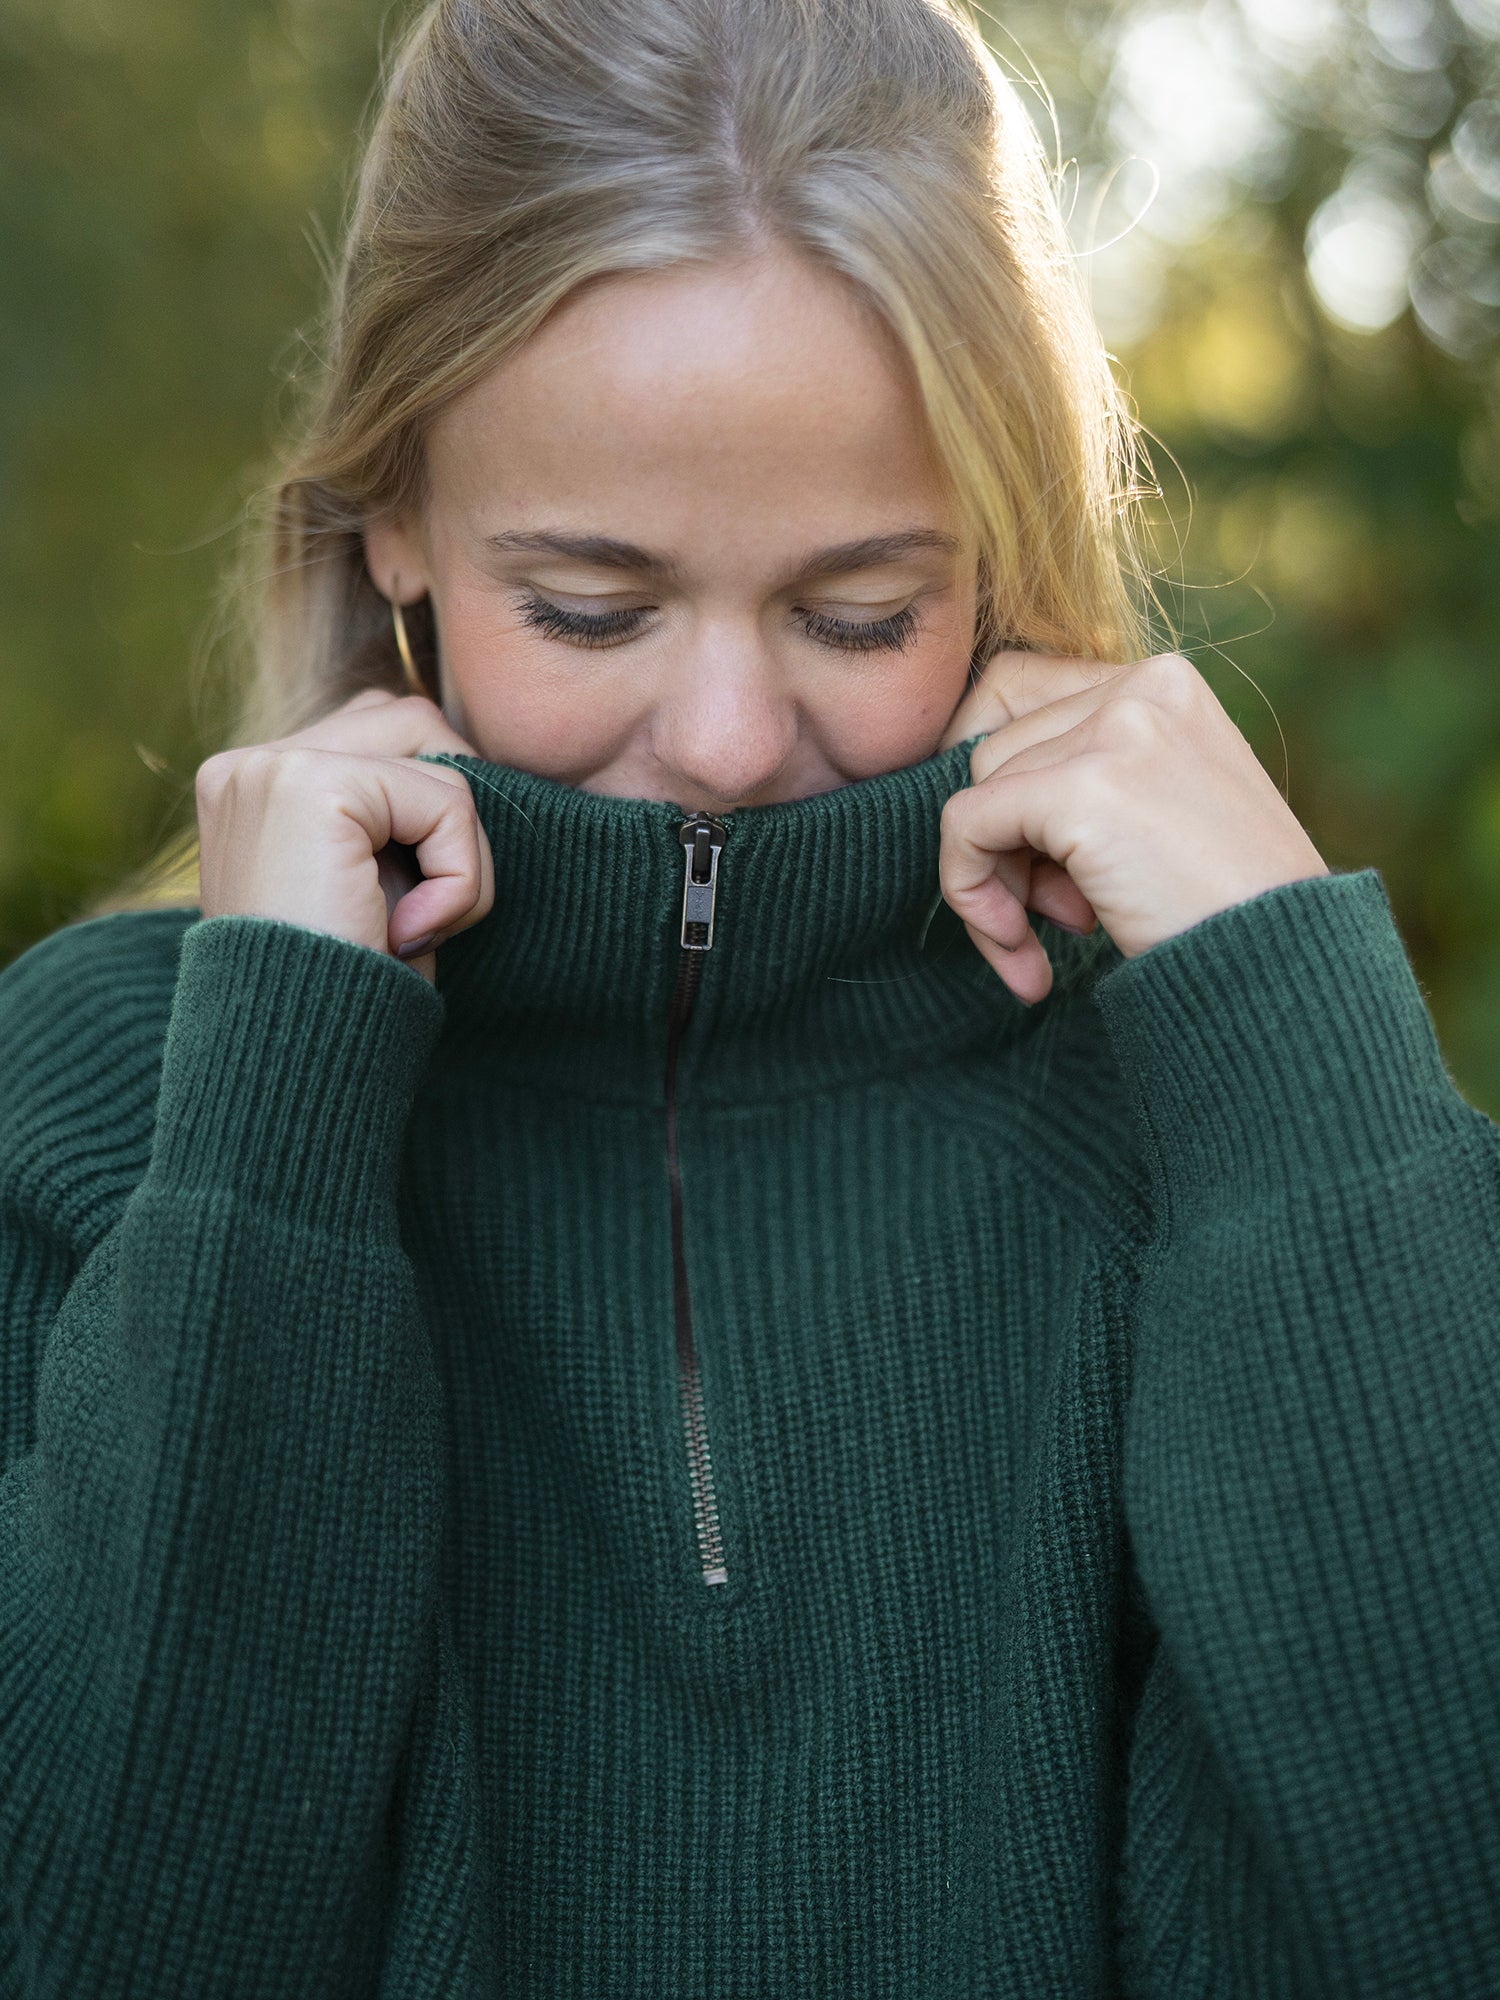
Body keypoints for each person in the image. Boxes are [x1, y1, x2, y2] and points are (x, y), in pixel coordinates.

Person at [1, 0, 1496, 1992]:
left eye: (858, 607)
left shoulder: (1231, 1119)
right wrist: (269, 1118)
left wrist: (1298, 1047)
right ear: (396, 522)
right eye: (593, 605)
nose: (721, 736)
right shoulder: (90, 1101)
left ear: (1001, 549)